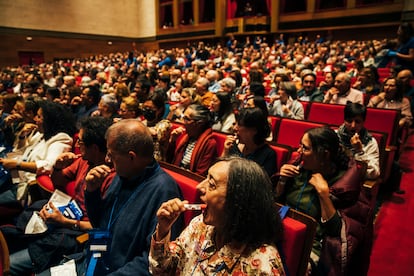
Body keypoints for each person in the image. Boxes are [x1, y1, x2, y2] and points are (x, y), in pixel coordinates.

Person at [7, 116, 115, 275]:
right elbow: (58, 181)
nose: (77, 146)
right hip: (63, 215)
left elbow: (102, 227)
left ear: (95, 148)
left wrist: (65, 222)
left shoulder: (111, 177)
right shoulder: (84, 161)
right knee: (13, 235)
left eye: (81, 142)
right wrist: (57, 167)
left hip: (76, 231)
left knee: (11, 265)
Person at [149, 157, 286, 275]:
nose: (199, 187)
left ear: (237, 202)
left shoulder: (263, 265)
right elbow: (161, 271)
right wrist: (163, 230)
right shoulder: (199, 226)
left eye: (211, 184)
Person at [83, 119, 184, 275]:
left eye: (111, 155)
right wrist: (92, 191)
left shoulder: (165, 191)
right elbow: (100, 223)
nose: (107, 160)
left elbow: (154, 261)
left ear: (131, 157)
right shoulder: (124, 174)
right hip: (96, 260)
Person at [275, 127, 369, 275]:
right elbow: (276, 202)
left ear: (324, 154)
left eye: (305, 148)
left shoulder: (344, 184)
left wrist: (324, 195)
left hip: (311, 246)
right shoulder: (299, 168)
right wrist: (282, 180)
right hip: (281, 230)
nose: (299, 152)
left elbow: (338, 233)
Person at [0, 101, 76, 205]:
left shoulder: (61, 138)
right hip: (16, 179)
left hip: (28, 189)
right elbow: (20, 152)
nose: (35, 119)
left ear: (49, 121)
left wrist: (18, 165)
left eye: (39, 117)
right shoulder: (42, 134)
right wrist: (22, 136)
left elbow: (49, 165)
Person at [222, 107, 277, 177]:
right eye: (235, 124)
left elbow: (262, 185)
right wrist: (225, 151)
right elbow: (218, 171)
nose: (235, 128)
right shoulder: (233, 146)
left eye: (239, 125)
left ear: (254, 130)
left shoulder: (268, 155)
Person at [166, 104, 217, 176]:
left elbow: (200, 175)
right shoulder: (185, 136)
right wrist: (172, 141)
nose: (183, 122)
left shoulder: (209, 144)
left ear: (199, 123)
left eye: (186, 119)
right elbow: (169, 161)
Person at [337, 102, 380, 179]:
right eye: (349, 121)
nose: (353, 126)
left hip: (354, 181)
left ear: (363, 122)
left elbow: (373, 174)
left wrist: (360, 151)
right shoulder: (335, 136)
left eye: (357, 122)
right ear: (344, 120)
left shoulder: (370, 142)